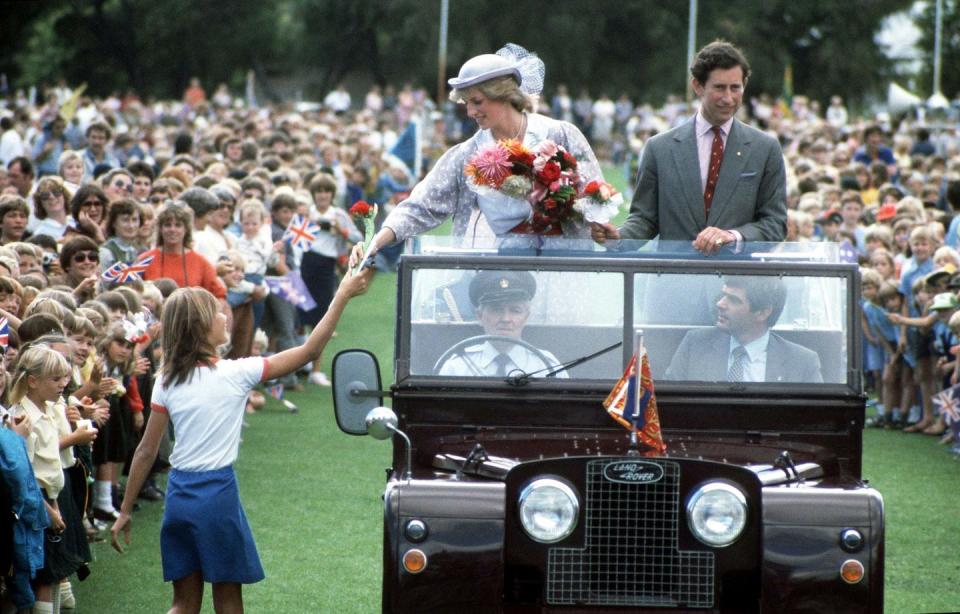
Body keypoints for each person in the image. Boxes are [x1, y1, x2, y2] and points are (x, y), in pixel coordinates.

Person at [110, 269, 372, 614]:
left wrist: (124, 510)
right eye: (216, 312)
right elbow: (310, 351)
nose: (224, 316)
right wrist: (342, 294)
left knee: (183, 603)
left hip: (179, 495)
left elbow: (145, 450)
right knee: (228, 600)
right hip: (217, 494)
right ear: (202, 327)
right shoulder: (235, 374)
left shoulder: (166, 380)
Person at [352, 43, 605, 265]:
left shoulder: (559, 134)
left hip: (565, 263)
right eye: (466, 103)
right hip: (503, 276)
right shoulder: (466, 155)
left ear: (503, 95)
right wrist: (375, 242)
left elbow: (595, 193)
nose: (471, 111)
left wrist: (599, 224)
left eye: (477, 101)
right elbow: (420, 206)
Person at [591, 41, 787, 254]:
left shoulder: (765, 148)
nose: (728, 98)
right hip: (674, 280)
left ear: (745, 84)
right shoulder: (659, 148)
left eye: (735, 88)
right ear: (697, 86)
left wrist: (732, 237)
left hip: (738, 283)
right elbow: (644, 218)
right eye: (719, 88)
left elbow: (776, 223)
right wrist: (619, 237)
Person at [664, 276, 823, 383]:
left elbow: (813, 423)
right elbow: (665, 408)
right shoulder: (695, 344)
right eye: (723, 295)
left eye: (733, 300)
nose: (720, 304)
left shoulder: (802, 362)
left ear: (763, 312)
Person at [437, 270, 567, 378]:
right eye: (496, 310)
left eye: (515, 310)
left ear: (526, 317)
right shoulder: (456, 368)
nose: (506, 318)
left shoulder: (547, 367)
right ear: (480, 316)